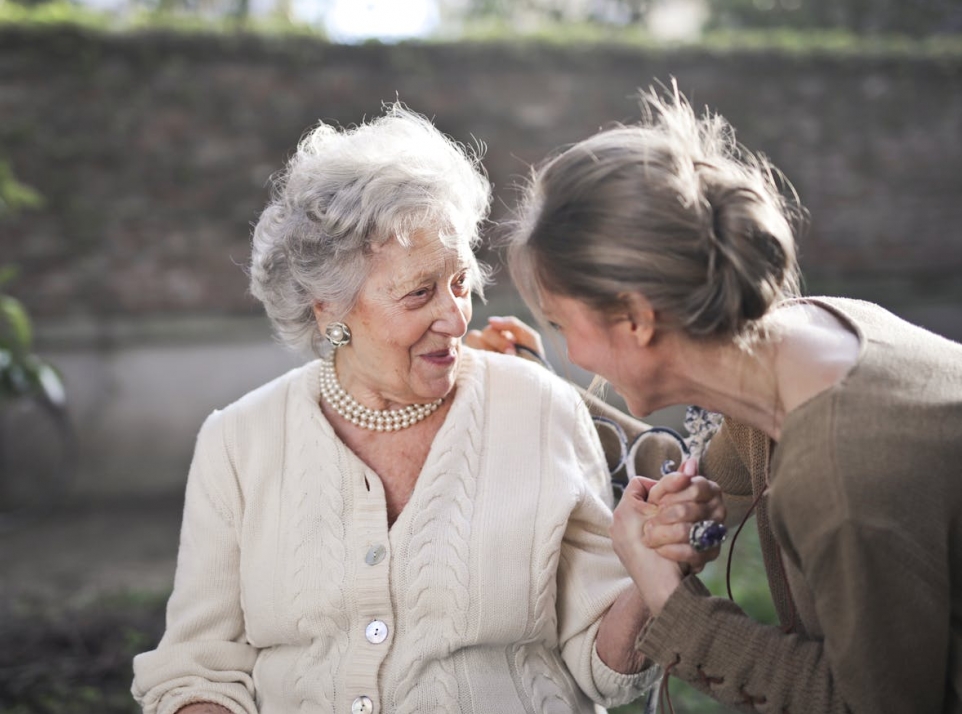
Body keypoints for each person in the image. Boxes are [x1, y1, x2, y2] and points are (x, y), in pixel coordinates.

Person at [130, 104, 724, 714]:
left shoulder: (537, 408)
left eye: (461, 283)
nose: (456, 316)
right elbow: (197, 670)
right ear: (327, 308)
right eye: (419, 293)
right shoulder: (238, 441)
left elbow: (608, 671)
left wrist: (650, 571)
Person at [489, 83, 962, 712]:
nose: (572, 352)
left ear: (634, 319)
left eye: (561, 325)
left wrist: (671, 602)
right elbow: (689, 470)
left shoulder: (841, 475)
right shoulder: (806, 340)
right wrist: (532, 384)